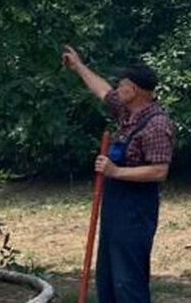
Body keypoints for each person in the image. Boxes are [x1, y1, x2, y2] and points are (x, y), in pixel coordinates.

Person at [63, 45, 174, 303]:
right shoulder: (127, 113)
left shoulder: (157, 124)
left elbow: (160, 170)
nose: (117, 88)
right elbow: (102, 90)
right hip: (114, 211)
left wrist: (116, 171)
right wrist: (78, 66)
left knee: (128, 282)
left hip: (135, 213)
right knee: (109, 278)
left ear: (134, 90)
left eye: (122, 84)